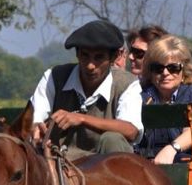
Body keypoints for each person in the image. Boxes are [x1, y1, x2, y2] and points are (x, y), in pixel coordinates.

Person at [30, 19, 143, 160]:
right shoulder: (54, 77)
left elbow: (131, 130)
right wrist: (35, 128)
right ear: (77, 54)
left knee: (112, 139)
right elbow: (34, 117)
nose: (90, 65)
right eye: (85, 56)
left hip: (108, 171)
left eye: (99, 57)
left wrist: (81, 119)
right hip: (59, 165)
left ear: (114, 57)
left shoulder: (126, 83)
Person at [136, 35, 192, 163]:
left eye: (173, 68)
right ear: (150, 71)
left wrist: (171, 150)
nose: (165, 73)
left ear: (184, 69)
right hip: (144, 164)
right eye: (158, 68)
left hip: (185, 164)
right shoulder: (137, 97)